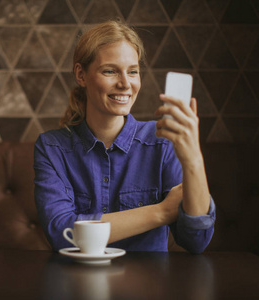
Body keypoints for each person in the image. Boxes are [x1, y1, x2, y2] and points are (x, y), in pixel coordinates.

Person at [34, 20, 215, 253]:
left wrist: (193, 158)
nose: (125, 83)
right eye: (110, 71)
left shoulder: (163, 141)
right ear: (81, 74)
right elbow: (62, 234)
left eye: (133, 72)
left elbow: (196, 241)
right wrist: (162, 211)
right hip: (78, 285)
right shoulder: (51, 148)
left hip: (150, 285)